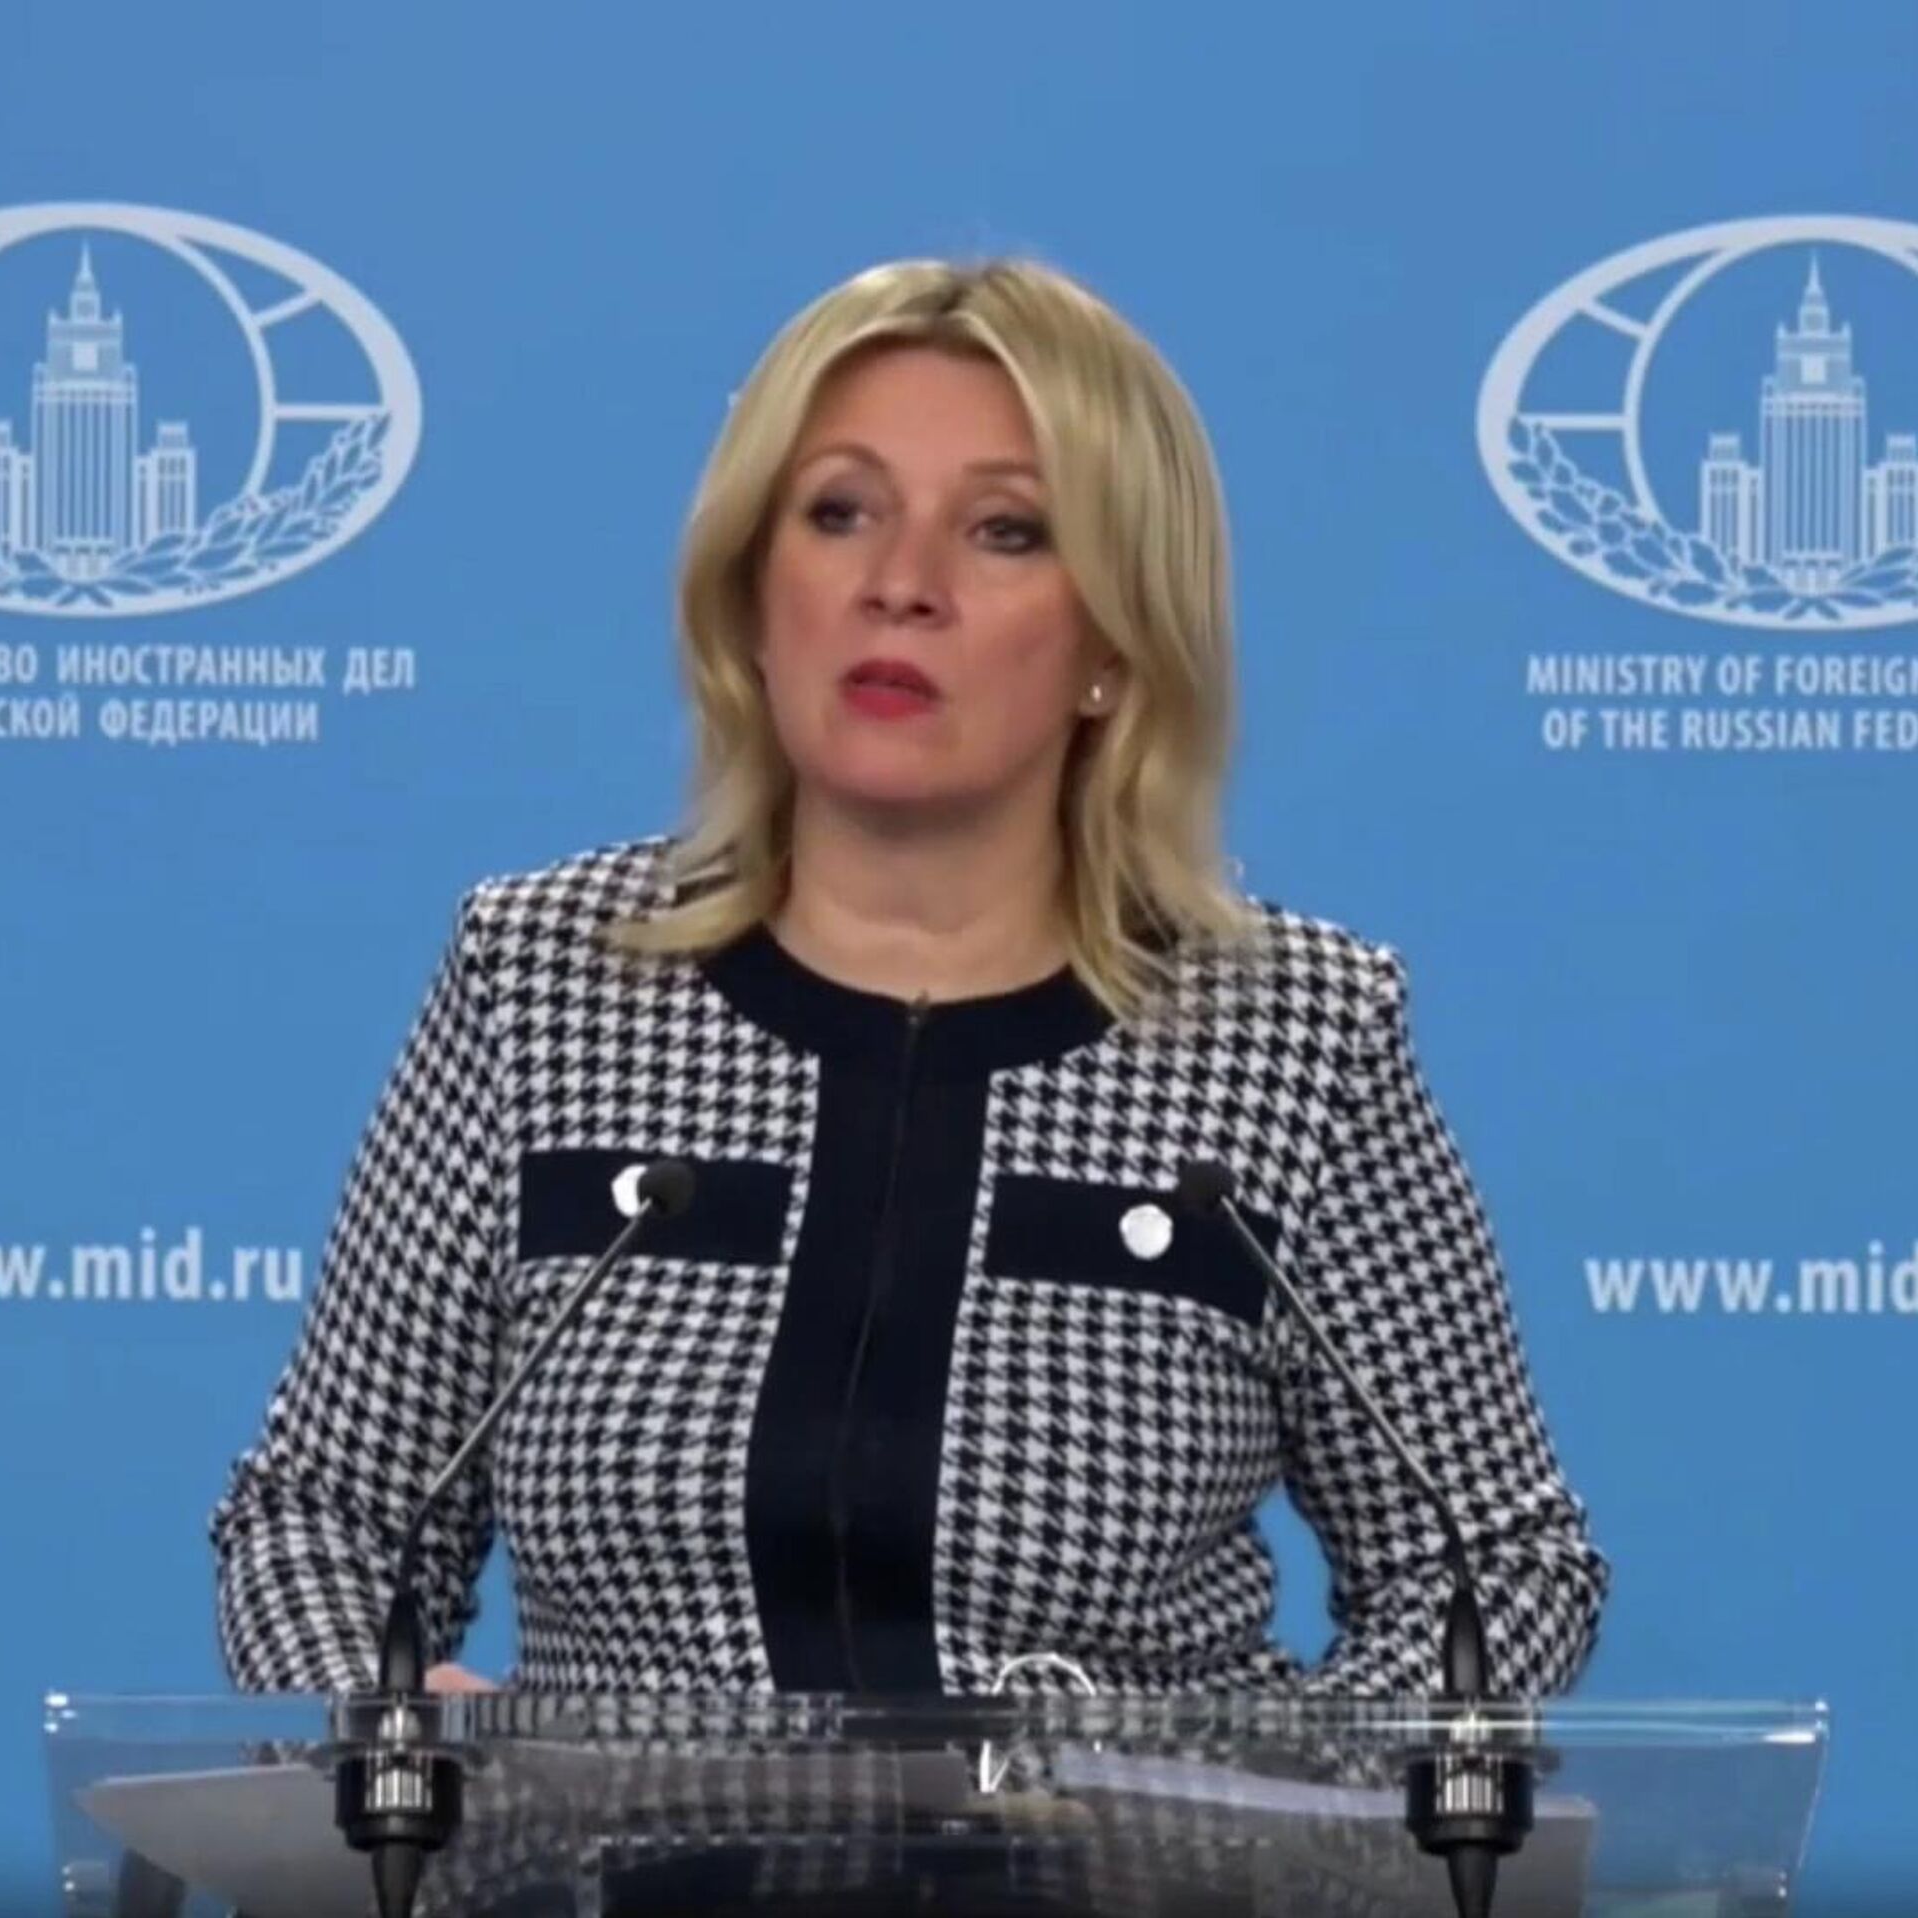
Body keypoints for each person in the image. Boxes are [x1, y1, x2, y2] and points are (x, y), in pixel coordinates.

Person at [211, 257, 1607, 1701]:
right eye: (840, 512)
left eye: (1005, 531)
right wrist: (387, 1727)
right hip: (622, 1834)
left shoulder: (1294, 1036)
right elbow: (326, 1511)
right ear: (755, 595)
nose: (900, 586)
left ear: (1115, 641)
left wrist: (1252, 1786)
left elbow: (1496, 1565)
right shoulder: (544, 983)